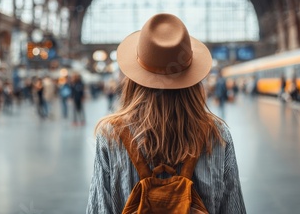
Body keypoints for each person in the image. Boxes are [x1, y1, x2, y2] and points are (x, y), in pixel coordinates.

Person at [87, 13, 246, 213]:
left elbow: (99, 208)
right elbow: (234, 208)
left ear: (134, 79)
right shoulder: (217, 134)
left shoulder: (110, 134)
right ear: (193, 80)